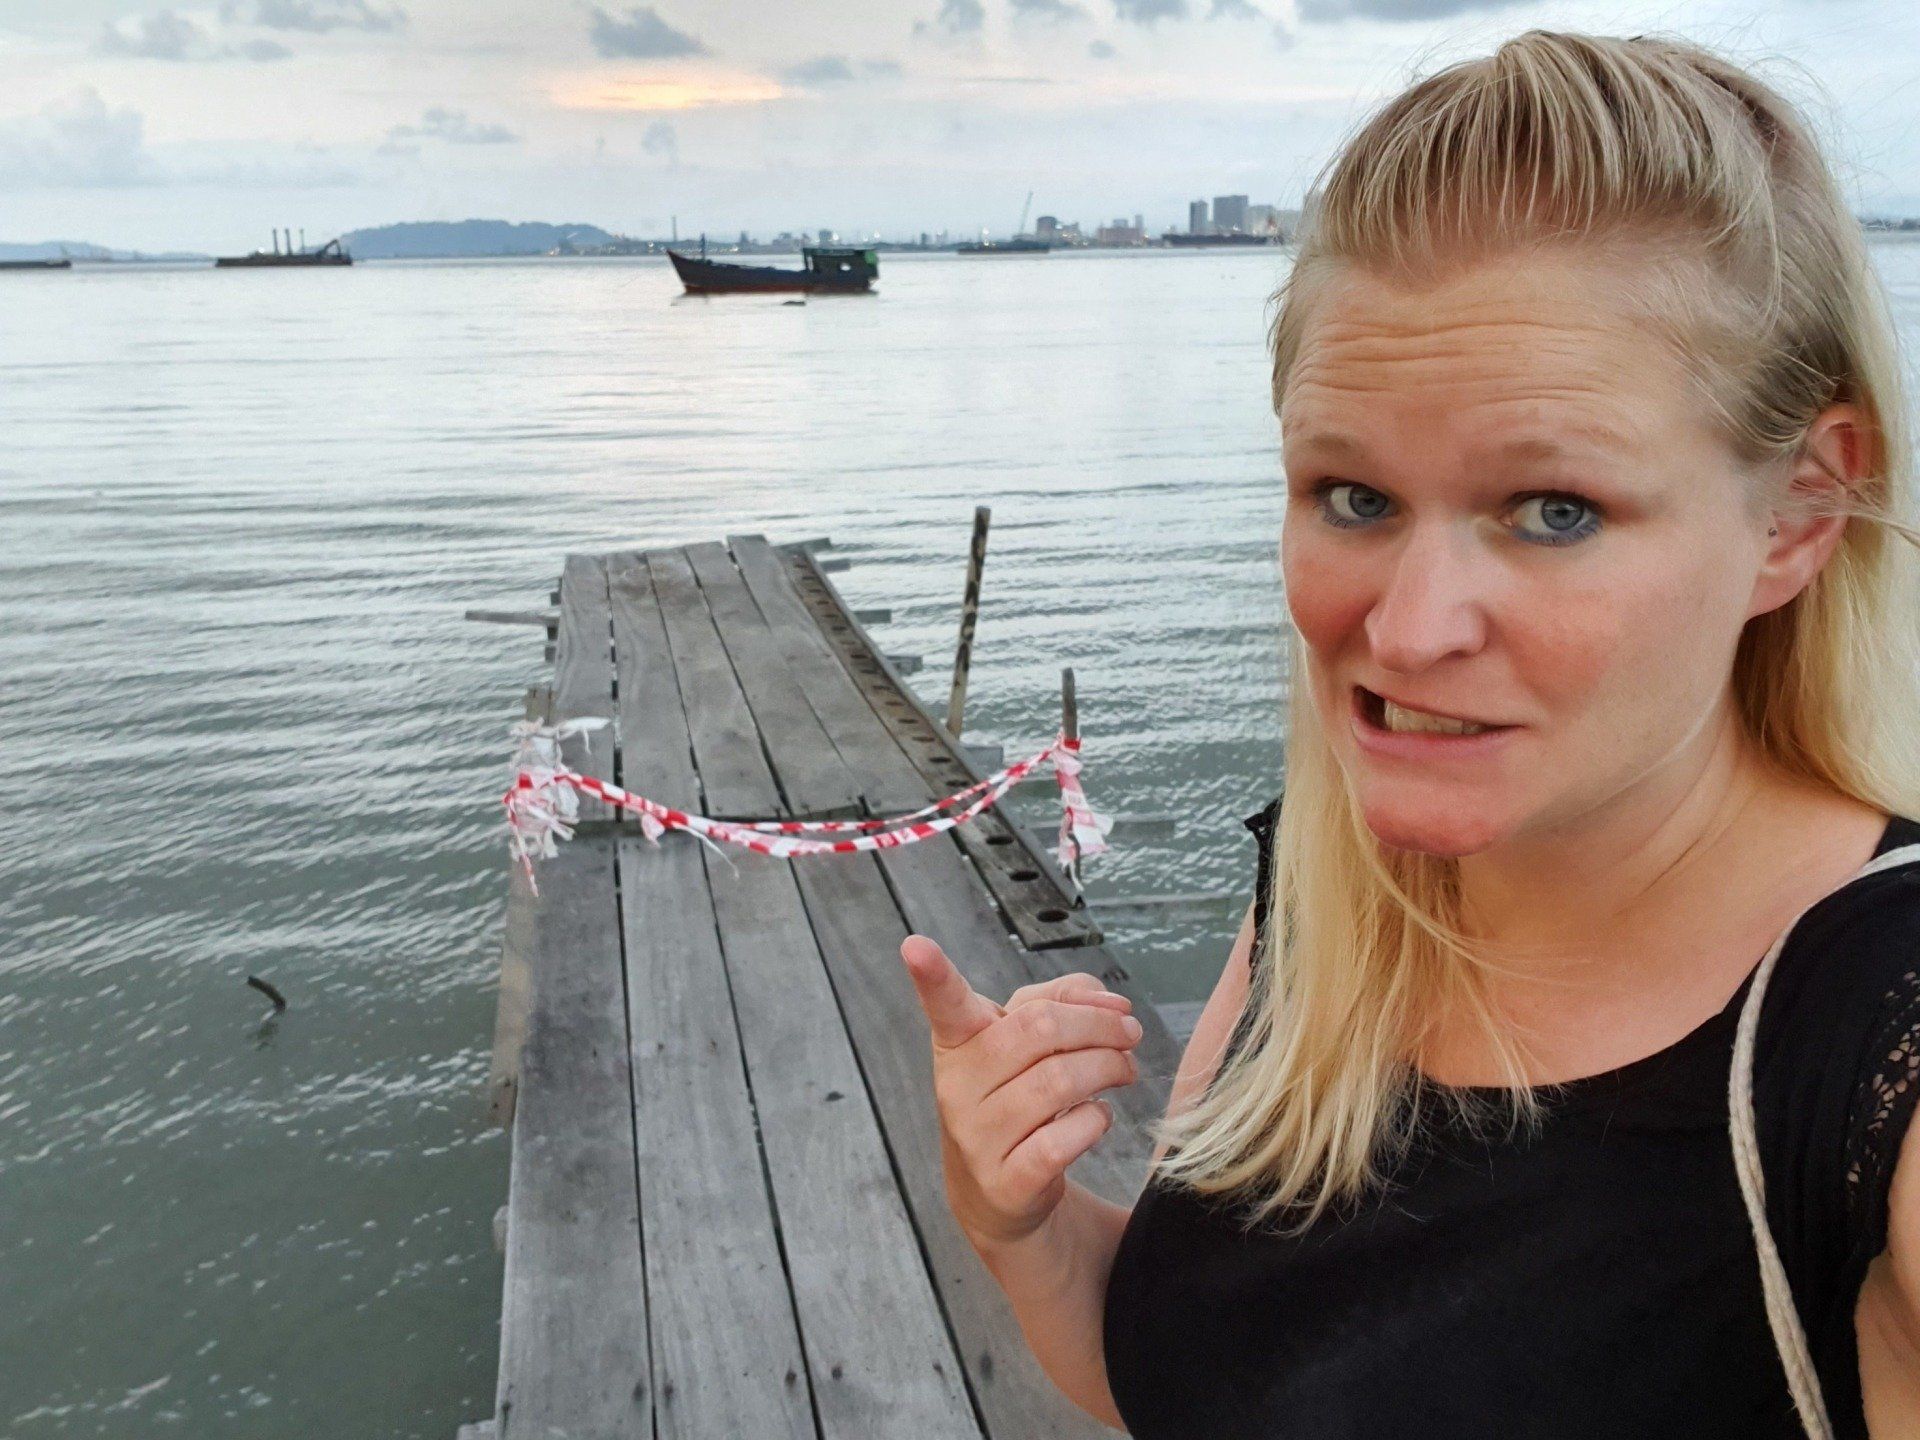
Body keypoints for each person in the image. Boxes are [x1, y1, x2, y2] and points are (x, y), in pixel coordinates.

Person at [898, 29, 1920, 1440]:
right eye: (1355, 498)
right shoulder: (1334, 885)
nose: (1412, 627)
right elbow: (1202, 1379)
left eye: (1554, 510)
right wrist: (1019, 1225)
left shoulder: (1874, 1058)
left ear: (1799, 512)